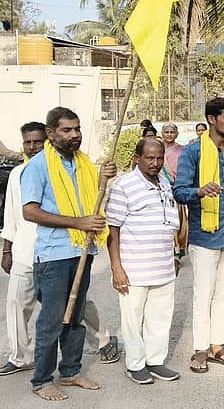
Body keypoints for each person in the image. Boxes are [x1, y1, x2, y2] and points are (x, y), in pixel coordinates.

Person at [21, 107, 117, 400]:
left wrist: (103, 178)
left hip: (83, 250)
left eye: (77, 129)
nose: (74, 135)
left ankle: (71, 371)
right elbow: (30, 211)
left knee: (75, 316)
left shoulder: (82, 164)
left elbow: (90, 199)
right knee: (52, 318)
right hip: (54, 256)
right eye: (67, 130)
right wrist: (79, 223)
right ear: (50, 133)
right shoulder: (37, 167)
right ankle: (42, 380)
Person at [174, 98, 224, 373]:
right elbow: (178, 191)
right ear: (211, 119)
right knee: (203, 294)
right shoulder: (192, 153)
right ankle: (200, 349)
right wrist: (199, 191)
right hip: (204, 236)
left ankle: (218, 345)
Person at [105, 138, 181, 384]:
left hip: (163, 267)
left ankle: (155, 361)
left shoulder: (165, 183)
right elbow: (112, 230)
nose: (155, 163)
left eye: (159, 158)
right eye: (149, 157)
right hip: (134, 269)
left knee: (160, 318)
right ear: (137, 158)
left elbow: (169, 223)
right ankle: (135, 364)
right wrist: (117, 268)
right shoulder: (124, 185)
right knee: (132, 319)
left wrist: (174, 255)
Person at [1, 122, 47, 376]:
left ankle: (104, 340)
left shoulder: (57, 172)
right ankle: (21, 357)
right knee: (16, 304)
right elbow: (11, 214)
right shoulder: (17, 174)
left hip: (54, 252)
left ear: (47, 142)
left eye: (37, 142)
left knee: (71, 304)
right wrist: (6, 250)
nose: (32, 147)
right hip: (23, 252)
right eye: (28, 142)